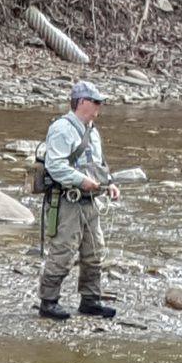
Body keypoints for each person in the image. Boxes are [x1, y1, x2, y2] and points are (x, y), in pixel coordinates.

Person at [36, 80, 121, 321]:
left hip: (90, 201)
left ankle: (90, 300)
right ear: (82, 102)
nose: (99, 106)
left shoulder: (92, 131)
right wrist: (81, 181)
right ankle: (48, 302)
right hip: (67, 201)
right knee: (63, 251)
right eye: (96, 102)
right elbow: (55, 166)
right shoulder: (61, 129)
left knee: (94, 250)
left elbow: (99, 164)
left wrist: (110, 183)